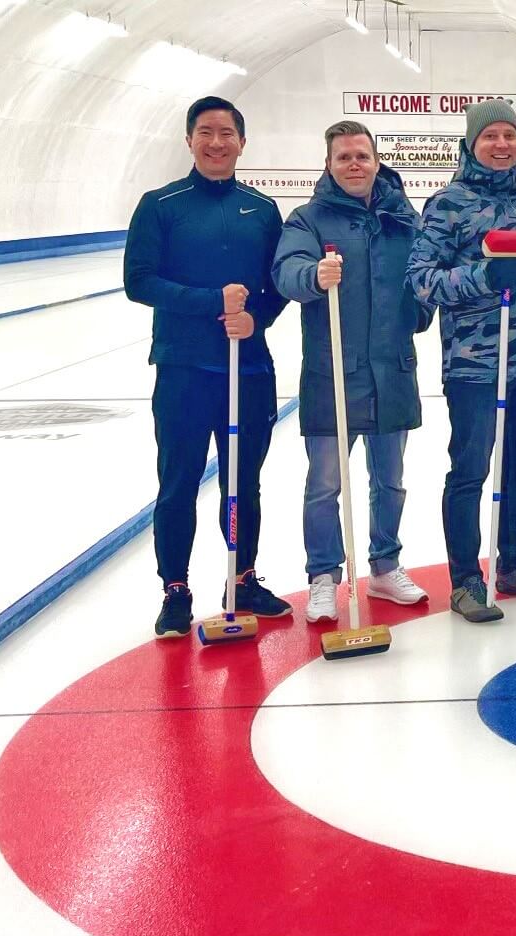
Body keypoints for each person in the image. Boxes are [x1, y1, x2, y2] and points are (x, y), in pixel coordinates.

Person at [124, 96, 291, 639]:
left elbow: (277, 285)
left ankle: (240, 578)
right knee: (178, 482)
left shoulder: (262, 209)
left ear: (243, 142)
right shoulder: (160, 204)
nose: (216, 142)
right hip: (184, 370)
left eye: (226, 133)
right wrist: (211, 302)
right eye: (205, 132)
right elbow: (139, 281)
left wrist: (256, 318)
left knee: (245, 483)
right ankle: (176, 589)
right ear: (189, 140)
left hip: (249, 371)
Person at [407, 99, 516, 623]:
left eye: (510, 135)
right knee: (471, 470)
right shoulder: (447, 204)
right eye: (491, 137)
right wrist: (481, 277)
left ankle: (513, 562)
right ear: (472, 142)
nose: (501, 145)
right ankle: (464, 581)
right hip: (476, 366)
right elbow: (421, 279)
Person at [272, 120, 434, 623]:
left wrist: (419, 311)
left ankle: (385, 566)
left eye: (362, 156)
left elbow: (421, 277)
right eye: (344, 157)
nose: (355, 165)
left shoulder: (401, 218)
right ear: (329, 164)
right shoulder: (308, 219)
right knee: (325, 484)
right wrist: (313, 276)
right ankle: (324, 576)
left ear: (377, 160)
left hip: (392, 373)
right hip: (333, 375)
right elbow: (285, 272)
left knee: (390, 481)